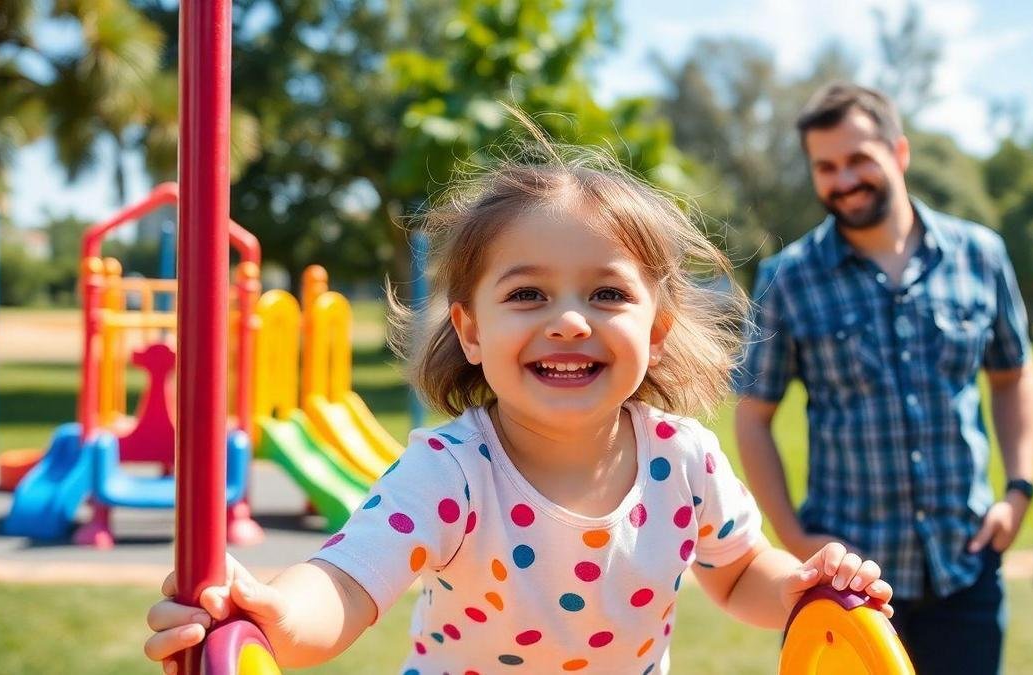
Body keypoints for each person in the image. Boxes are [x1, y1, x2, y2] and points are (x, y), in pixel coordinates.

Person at [142, 132, 895, 674]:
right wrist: (278, 613)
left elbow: (736, 573)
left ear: (657, 330)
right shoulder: (450, 471)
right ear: (470, 330)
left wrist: (796, 586)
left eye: (606, 293)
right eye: (527, 293)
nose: (569, 320)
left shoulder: (684, 458)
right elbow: (346, 581)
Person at [733, 82, 1033, 674]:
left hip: (965, 567)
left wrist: (1019, 490)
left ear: (898, 153)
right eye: (825, 167)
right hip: (845, 589)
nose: (842, 180)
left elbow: (1013, 374)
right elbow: (753, 416)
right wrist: (794, 534)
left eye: (857, 159)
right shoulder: (788, 277)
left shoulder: (981, 254)